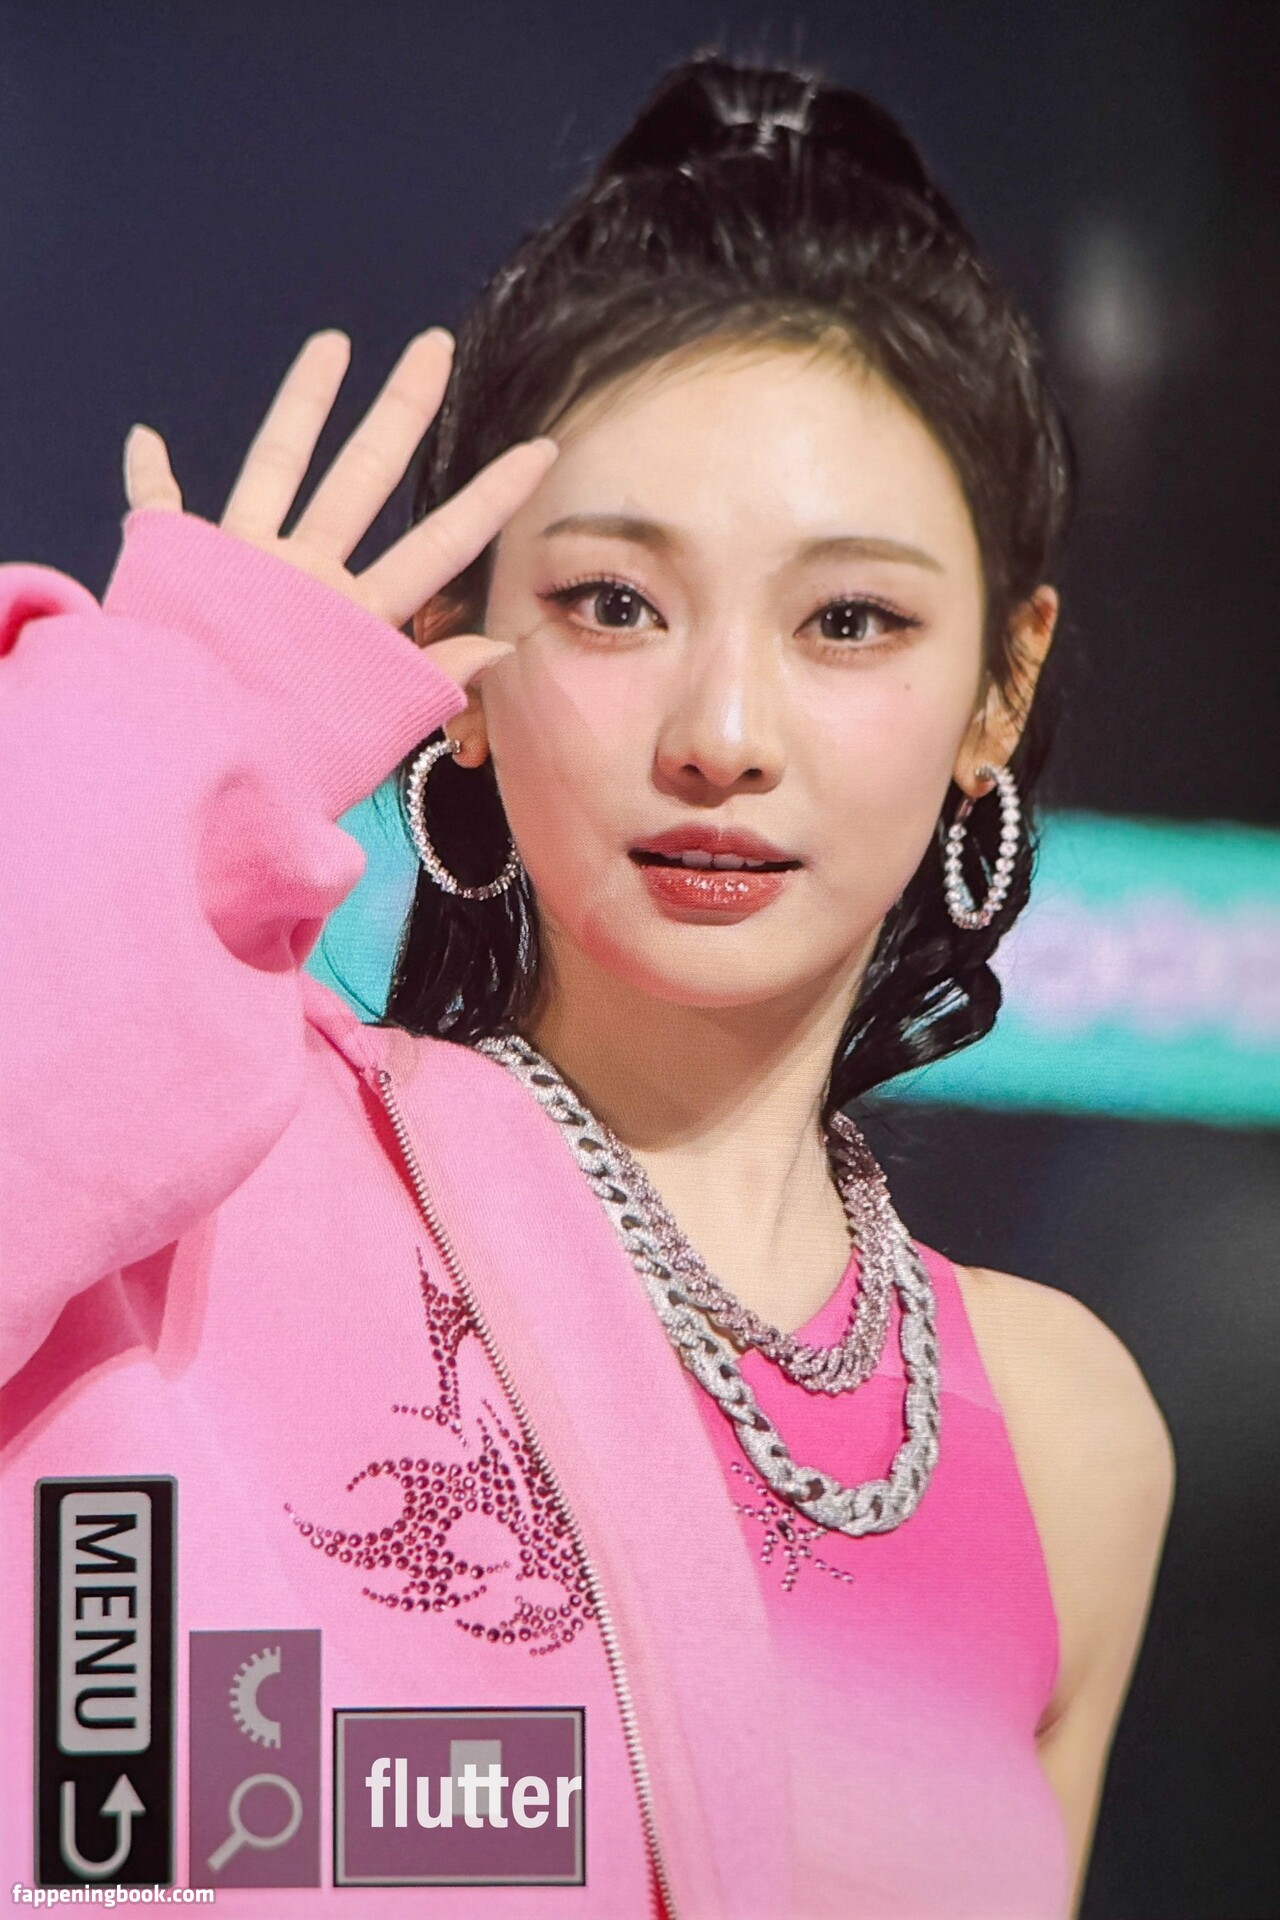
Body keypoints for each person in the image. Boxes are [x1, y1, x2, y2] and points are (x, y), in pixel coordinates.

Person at [0, 51, 1174, 1920]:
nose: (723, 731)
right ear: (459, 662)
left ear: (999, 690)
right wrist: (172, 723)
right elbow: (120, 1804)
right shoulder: (215, 1204)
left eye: (850, 620)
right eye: (615, 602)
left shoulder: (1068, 1441)